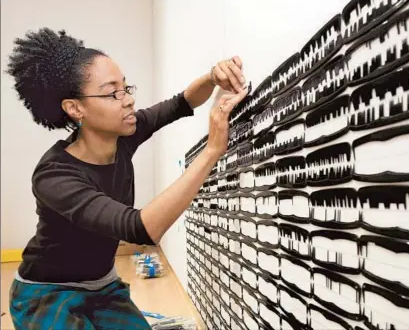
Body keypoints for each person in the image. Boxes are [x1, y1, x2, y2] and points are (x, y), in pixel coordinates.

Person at [6, 27, 248, 330]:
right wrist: (212, 151)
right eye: (112, 93)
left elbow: (181, 103)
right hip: (45, 292)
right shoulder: (54, 175)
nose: (128, 100)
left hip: (103, 285)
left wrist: (213, 77)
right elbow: (141, 228)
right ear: (75, 107)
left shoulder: (123, 135)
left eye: (126, 88)